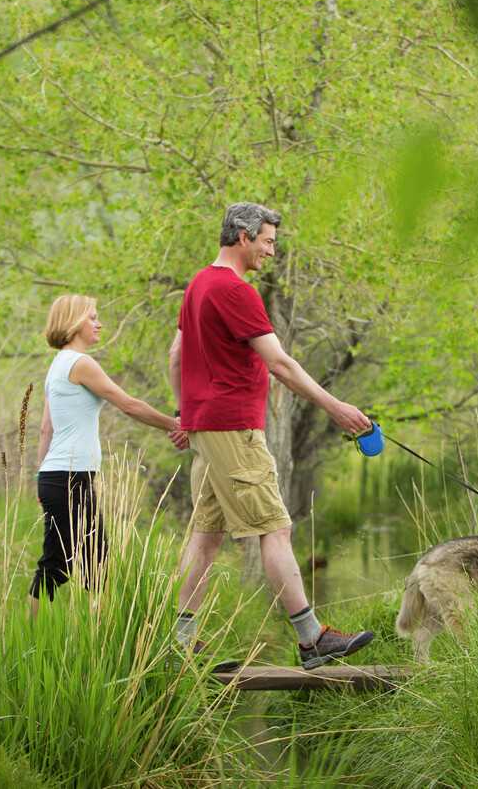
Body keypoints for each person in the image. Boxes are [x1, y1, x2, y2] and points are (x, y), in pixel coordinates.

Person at [167, 202, 376, 670]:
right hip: (235, 429)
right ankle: (312, 639)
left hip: (207, 429)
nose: (271, 252)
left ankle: (177, 645)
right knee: (276, 529)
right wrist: (336, 407)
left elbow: (175, 355)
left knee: (206, 539)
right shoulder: (235, 290)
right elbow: (279, 363)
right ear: (243, 237)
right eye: (268, 241)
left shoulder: (198, 284)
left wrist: (186, 412)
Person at [31, 295, 187, 619]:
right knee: (96, 568)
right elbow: (128, 404)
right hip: (71, 477)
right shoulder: (80, 363)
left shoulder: (57, 365)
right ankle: (98, 644)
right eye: (93, 318)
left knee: (58, 563)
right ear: (75, 323)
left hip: (57, 476)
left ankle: (40, 638)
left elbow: (47, 429)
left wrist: (39, 476)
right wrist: (176, 424)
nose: (99, 324)